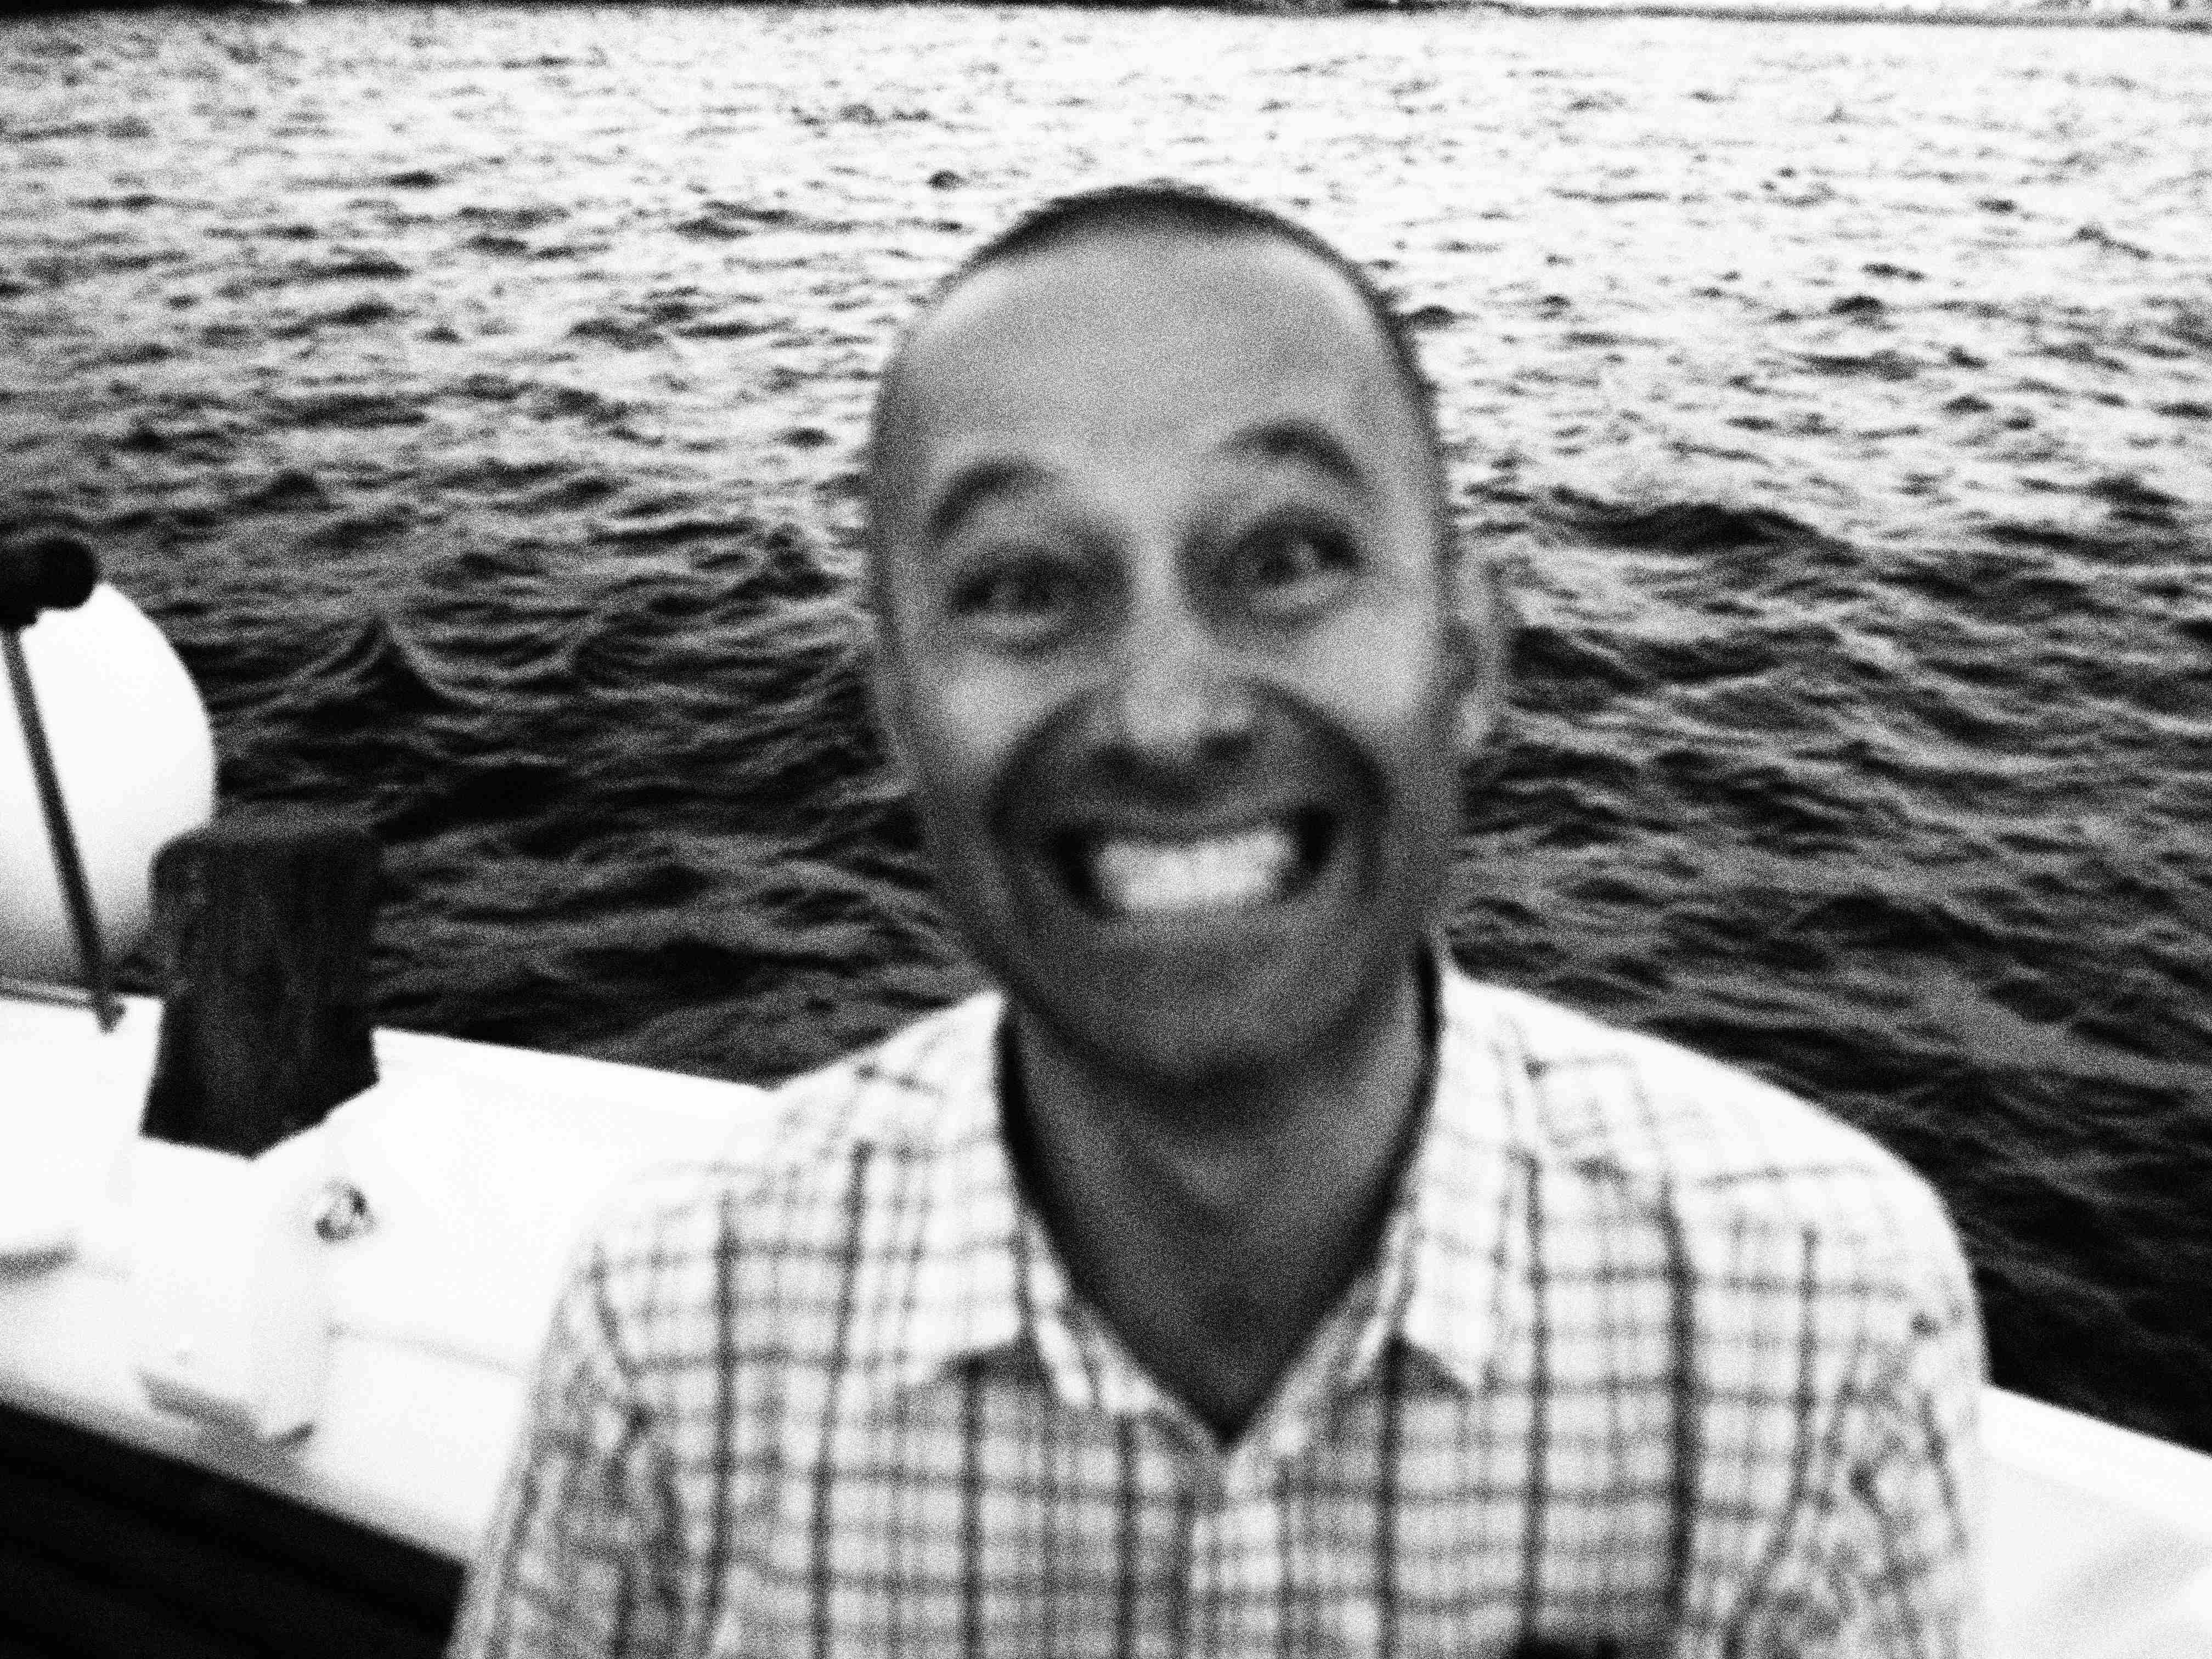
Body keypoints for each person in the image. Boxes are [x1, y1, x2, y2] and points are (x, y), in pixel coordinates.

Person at [449, 183, 1983, 1658]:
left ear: (1471, 649)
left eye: (1287, 560)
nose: (1168, 720)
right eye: (1025, 586)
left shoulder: (1809, 1326)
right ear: (897, 712)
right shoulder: (678, 1340)